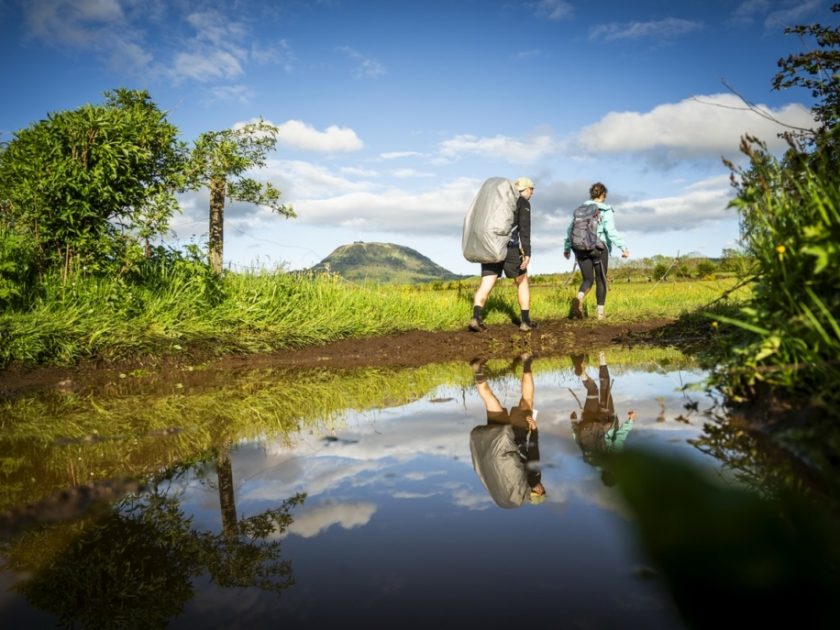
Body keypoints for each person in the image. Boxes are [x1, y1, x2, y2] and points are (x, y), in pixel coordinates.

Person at [468, 353, 545, 508]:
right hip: (496, 438)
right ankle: (478, 369)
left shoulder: (533, 480)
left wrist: (535, 431)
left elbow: (533, 454)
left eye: (542, 491)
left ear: (538, 491)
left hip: (516, 435)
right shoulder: (511, 490)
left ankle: (526, 361)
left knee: (527, 402)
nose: (542, 487)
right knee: (490, 401)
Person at [469, 177, 536, 332]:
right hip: (509, 247)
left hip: (490, 247)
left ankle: (476, 318)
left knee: (486, 283)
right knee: (522, 280)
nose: (532, 193)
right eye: (532, 189)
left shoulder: (497, 201)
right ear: (525, 189)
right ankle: (525, 322)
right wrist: (527, 253)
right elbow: (525, 230)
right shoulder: (522, 202)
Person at [563, 182, 629, 320]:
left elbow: (570, 230)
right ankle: (600, 315)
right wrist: (623, 247)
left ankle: (579, 298)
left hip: (580, 247)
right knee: (601, 280)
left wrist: (567, 248)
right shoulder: (605, 210)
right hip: (598, 247)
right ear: (603, 195)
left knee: (587, 279)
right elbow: (610, 231)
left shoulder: (581, 209)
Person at [569, 352, 635, 486]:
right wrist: (574, 423)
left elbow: (620, 437)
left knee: (604, 388)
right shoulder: (589, 460)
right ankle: (582, 374)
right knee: (592, 391)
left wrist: (630, 421)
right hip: (587, 420)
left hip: (606, 418)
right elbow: (578, 440)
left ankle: (602, 357)